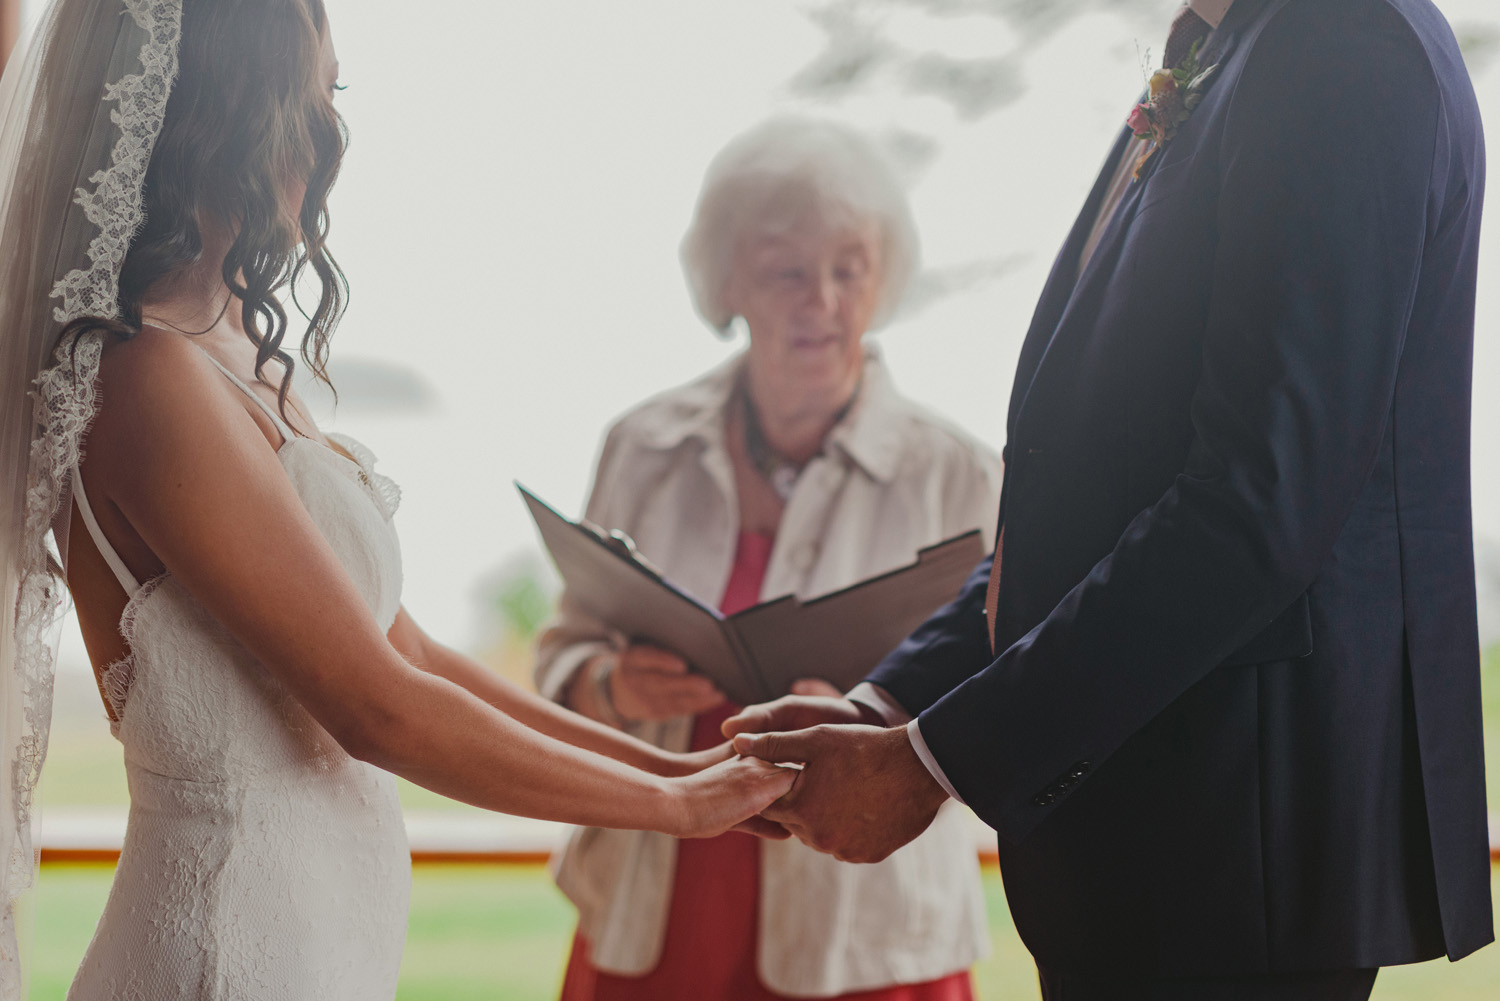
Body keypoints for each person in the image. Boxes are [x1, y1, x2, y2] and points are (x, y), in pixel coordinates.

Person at [0, 2, 796, 998]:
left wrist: (685, 771)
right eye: (316, 94)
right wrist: (677, 813)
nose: (333, 132)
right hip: (218, 959)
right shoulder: (143, 375)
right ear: (232, 113)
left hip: (323, 952)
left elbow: (408, 650)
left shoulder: (234, 353)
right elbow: (376, 707)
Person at [727, 1, 1494, 999]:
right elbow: (1098, 487)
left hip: (1231, 853)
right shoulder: (1236, 44)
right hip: (1155, 847)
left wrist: (934, 760)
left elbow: (1251, 511)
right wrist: (895, 701)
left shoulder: (1342, 48)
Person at [535, 117, 1001, 1001]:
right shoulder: (640, 446)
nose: (820, 300)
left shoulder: (962, 471)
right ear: (729, 280)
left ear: (884, 276)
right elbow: (562, 652)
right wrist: (612, 686)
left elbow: (1010, 691)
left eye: (848, 268)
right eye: (788, 270)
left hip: (869, 937)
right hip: (655, 915)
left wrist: (882, 717)